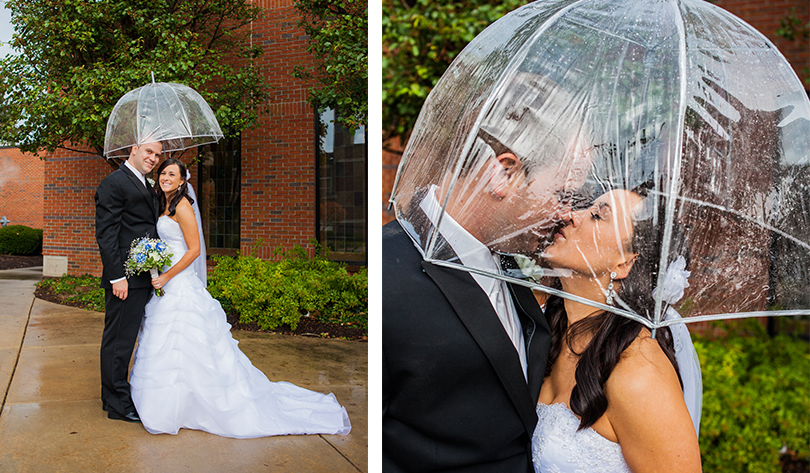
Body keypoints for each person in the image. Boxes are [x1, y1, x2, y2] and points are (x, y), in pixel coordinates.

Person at [383, 73, 591, 472]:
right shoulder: (388, 280)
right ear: (504, 173)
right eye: (562, 194)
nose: (568, 214)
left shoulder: (508, 257)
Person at [129, 158, 351, 438]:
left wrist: (166, 275)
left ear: (183, 180)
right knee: (165, 345)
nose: (165, 177)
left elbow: (195, 250)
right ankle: (176, 405)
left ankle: (196, 406)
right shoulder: (162, 204)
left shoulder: (183, 206)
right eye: (163, 173)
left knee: (188, 344)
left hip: (178, 283)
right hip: (164, 283)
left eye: (172, 174)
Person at [531, 187, 702, 473]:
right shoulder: (543, 329)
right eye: (586, 207)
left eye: (597, 216)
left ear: (624, 263)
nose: (571, 216)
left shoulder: (639, 374)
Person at [95, 140, 163, 423]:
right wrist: (117, 277)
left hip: (143, 275)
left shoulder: (145, 183)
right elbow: (106, 234)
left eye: (158, 155)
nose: (154, 158)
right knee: (119, 341)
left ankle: (110, 395)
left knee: (126, 338)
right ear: (134, 149)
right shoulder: (113, 183)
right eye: (149, 152)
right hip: (125, 277)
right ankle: (118, 404)